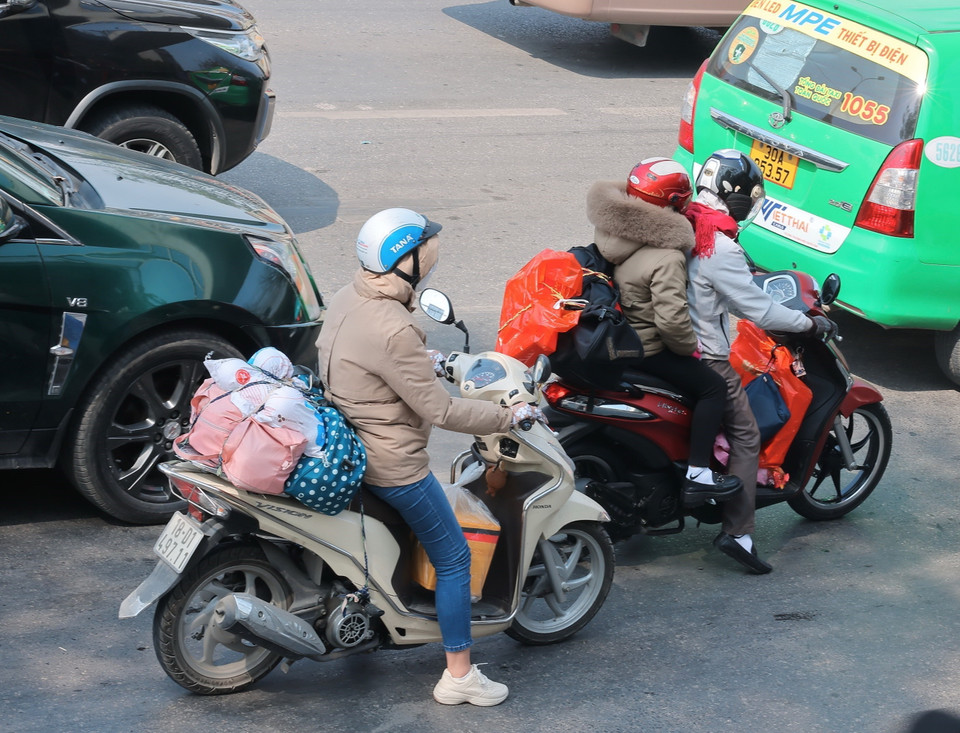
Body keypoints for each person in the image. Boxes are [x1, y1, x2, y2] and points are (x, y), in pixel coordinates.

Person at [316, 207, 538, 706]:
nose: (431, 259)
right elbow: (441, 411)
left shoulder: (350, 296)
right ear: (407, 260)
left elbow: (373, 362)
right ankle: (459, 676)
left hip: (349, 441)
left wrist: (426, 362)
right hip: (391, 464)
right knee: (455, 557)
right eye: (425, 253)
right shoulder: (394, 327)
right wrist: (509, 416)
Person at [684, 149, 837, 574]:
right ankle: (738, 533)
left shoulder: (688, 224)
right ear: (734, 197)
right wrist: (808, 325)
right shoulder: (718, 245)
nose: (748, 206)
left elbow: (728, 290)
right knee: (746, 434)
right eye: (749, 198)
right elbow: (761, 311)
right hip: (705, 354)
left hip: (669, 345)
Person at [586, 157, 741, 507]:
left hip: (618, 335)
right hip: (647, 348)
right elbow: (672, 322)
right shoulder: (667, 254)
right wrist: (689, 349)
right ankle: (698, 474)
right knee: (713, 387)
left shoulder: (613, 231)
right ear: (674, 203)